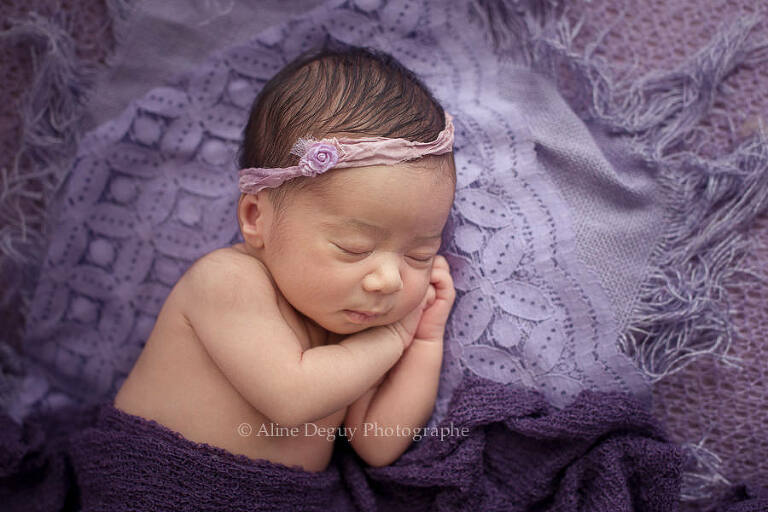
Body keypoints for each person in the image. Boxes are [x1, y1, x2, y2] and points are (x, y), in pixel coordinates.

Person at [113, 41, 457, 473]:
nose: (389, 280)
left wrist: (426, 340)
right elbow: (292, 400)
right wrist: (394, 338)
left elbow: (376, 443)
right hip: (162, 481)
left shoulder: (350, 332)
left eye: (420, 254)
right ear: (256, 216)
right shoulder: (225, 281)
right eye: (354, 248)